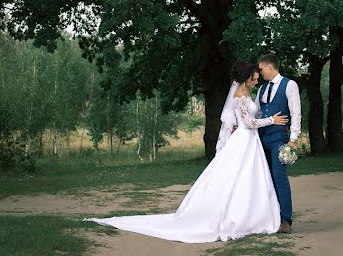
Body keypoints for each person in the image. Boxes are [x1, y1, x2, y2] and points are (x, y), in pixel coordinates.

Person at [85, 61, 288, 243]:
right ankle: (241, 216)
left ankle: (253, 214)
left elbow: (244, 118)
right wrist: (272, 120)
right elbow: (248, 122)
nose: (257, 78)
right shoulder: (241, 95)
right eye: (255, 75)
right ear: (247, 77)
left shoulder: (247, 93)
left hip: (249, 141)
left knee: (249, 179)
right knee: (241, 178)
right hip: (245, 139)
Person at [256, 53, 302, 234]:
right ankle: (270, 217)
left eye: (261, 69)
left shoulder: (289, 85)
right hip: (261, 138)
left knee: (279, 177)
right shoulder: (261, 89)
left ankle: (285, 220)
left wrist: (293, 139)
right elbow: (257, 113)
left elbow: (296, 112)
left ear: (269, 66)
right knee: (265, 179)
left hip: (279, 138)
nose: (259, 73)